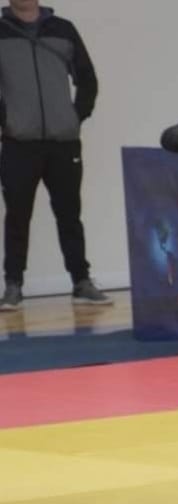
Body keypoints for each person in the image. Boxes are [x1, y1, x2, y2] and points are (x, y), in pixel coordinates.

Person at [0, 0, 111, 310]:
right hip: (18, 143)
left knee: (69, 214)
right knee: (18, 216)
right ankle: (13, 286)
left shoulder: (63, 29)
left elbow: (87, 78)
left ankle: (81, 281)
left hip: (64, 143)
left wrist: (75, 117)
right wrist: (7, 120)